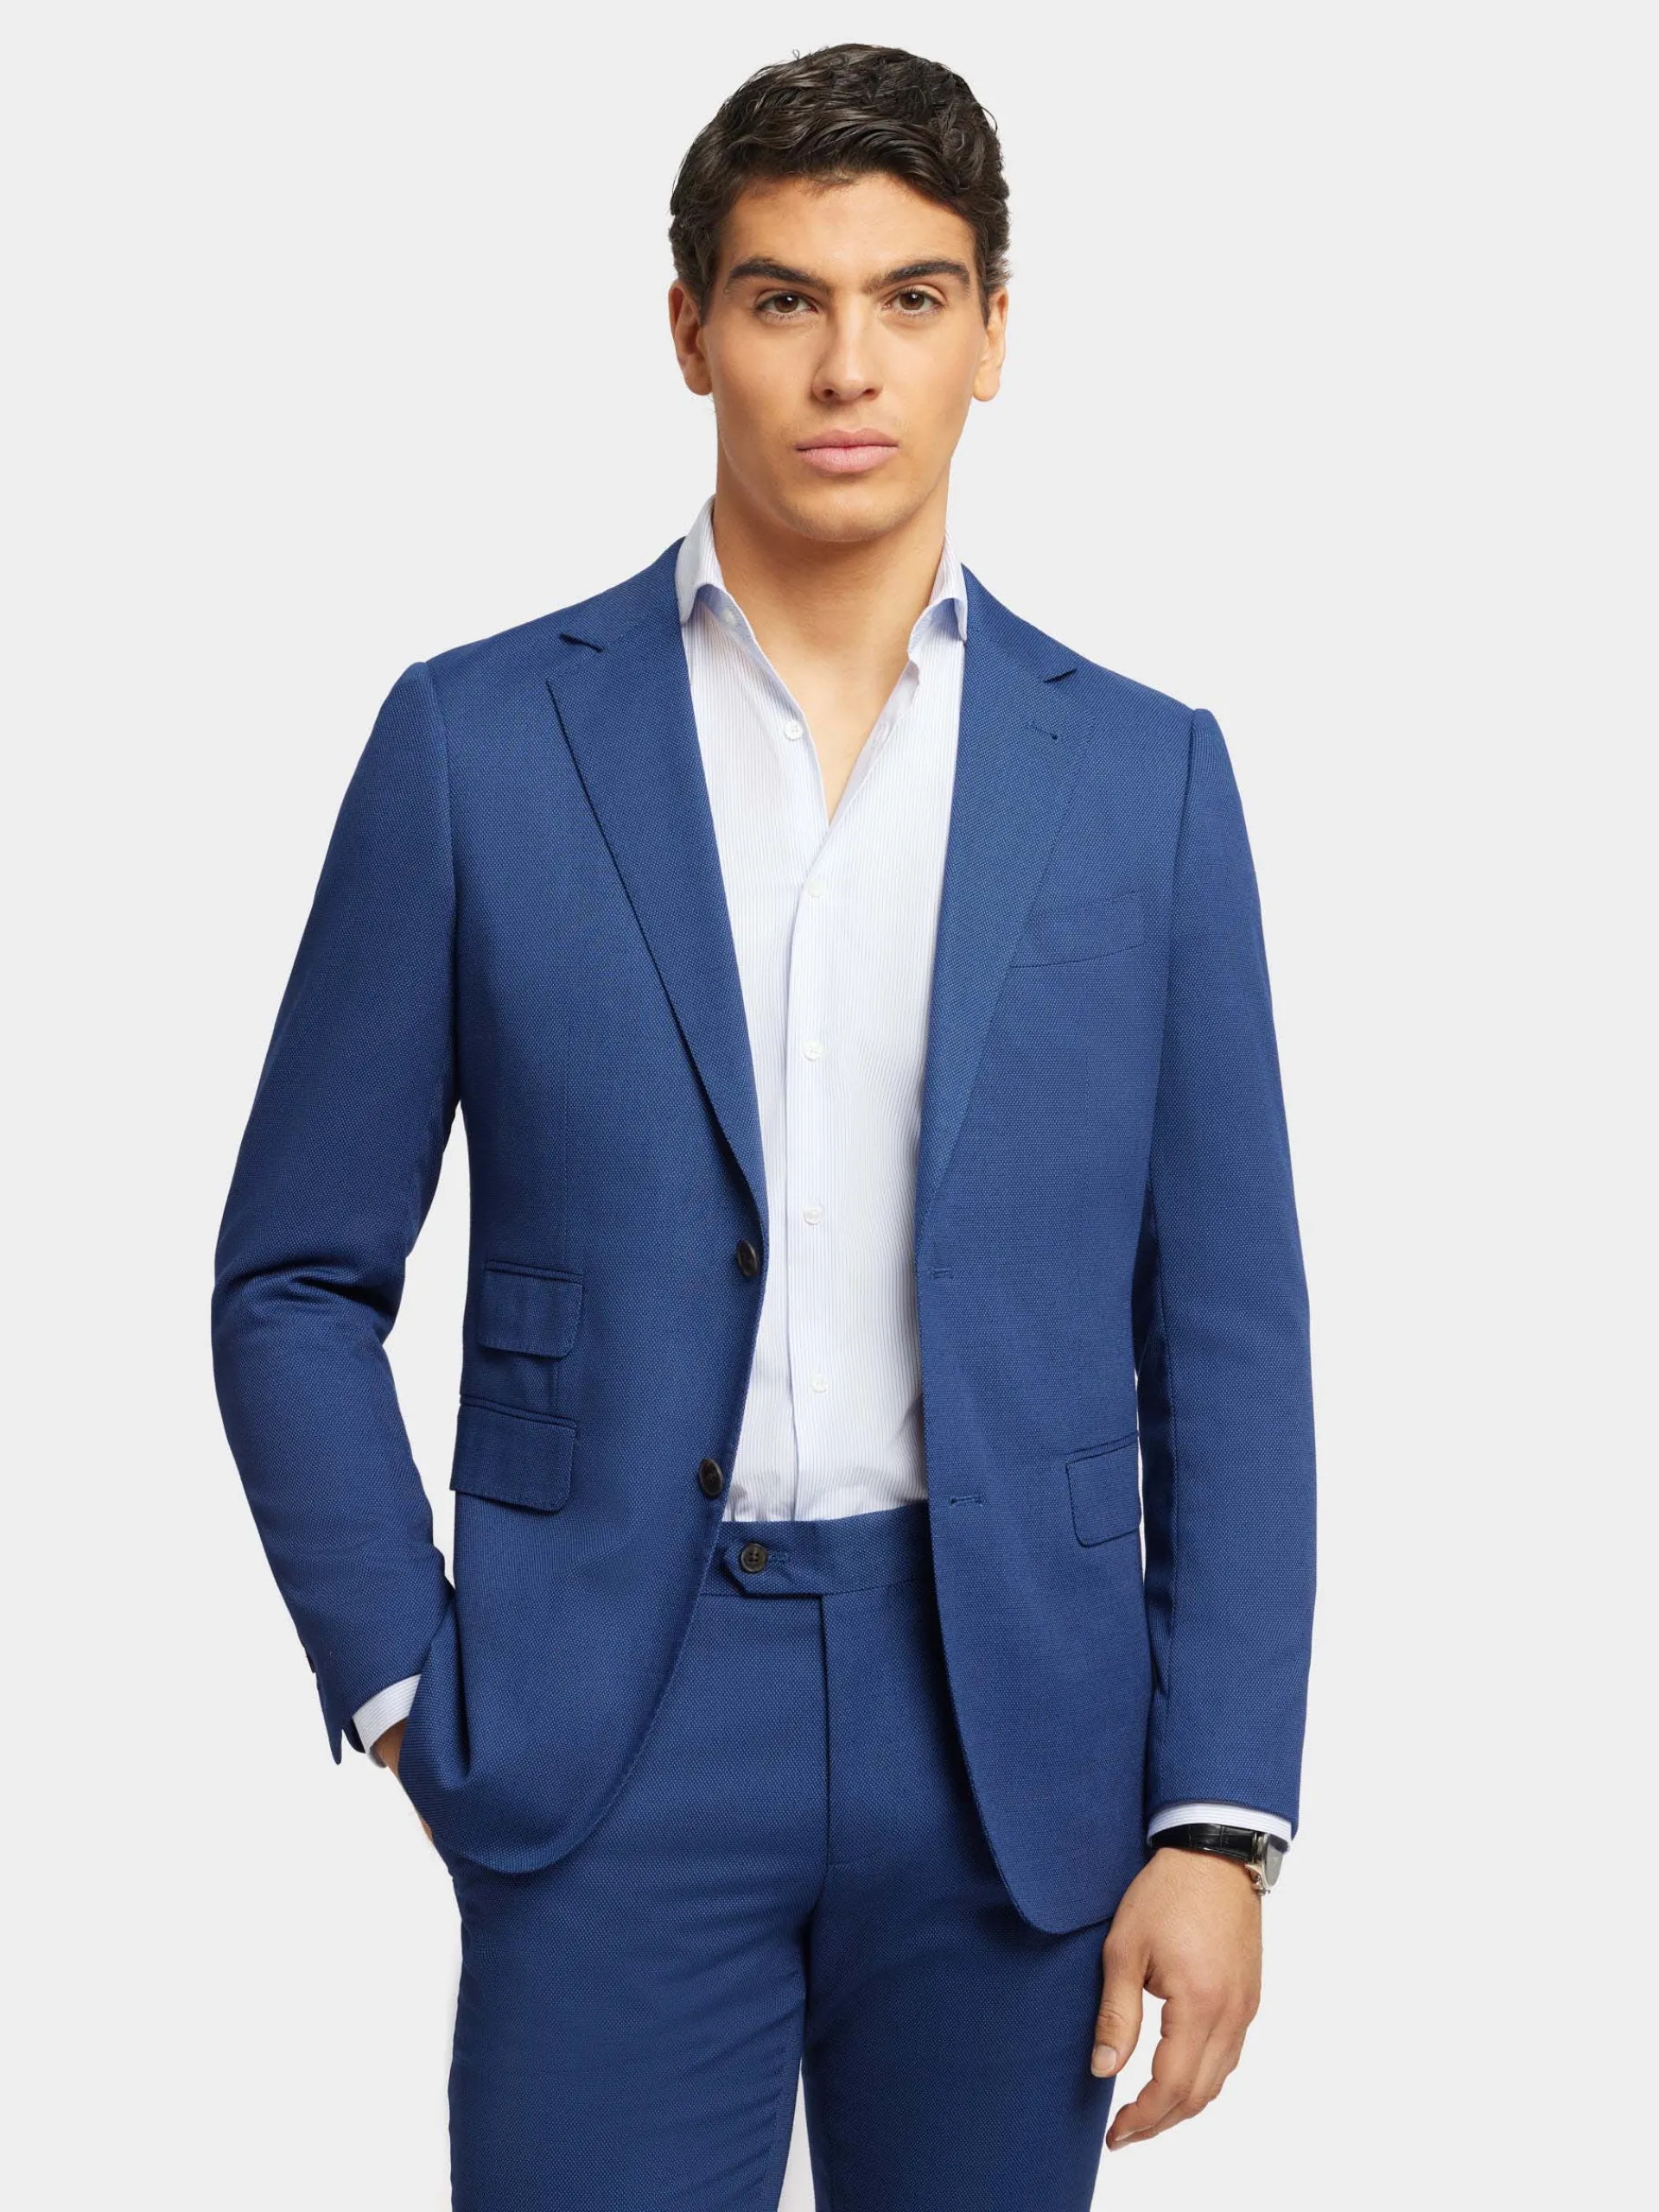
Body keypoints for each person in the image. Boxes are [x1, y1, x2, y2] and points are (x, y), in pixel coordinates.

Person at [212, 41, 1316, 2210]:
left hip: (1014, 1740)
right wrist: (409, 1683)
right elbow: (293, 1277)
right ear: (691, 328)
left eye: (912, 297)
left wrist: (1218, 1813)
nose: (848, 364)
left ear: (995, 334)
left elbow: (1230, 1337)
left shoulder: (1147, 780)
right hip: (605, 1720)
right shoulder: (475, 745)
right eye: (786, 295)